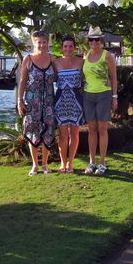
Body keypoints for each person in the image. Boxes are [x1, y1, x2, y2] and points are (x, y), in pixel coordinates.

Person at [17, 31, 56, 176]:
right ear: (33, 43)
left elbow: (60, 76)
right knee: (32, 131)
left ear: (48, 43)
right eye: (38, 42)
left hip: (49, 103)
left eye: (44, 42)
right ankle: (34, 165)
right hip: (32, 102)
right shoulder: (28, 59)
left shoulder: (52, 59)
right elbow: (22, 81)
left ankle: (45, 164)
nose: (41, 45)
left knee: (49, 132)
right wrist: (19, 100)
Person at [82, 26, 118, 176]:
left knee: (102, 129)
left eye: (97, 39)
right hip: (88, 96)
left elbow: (114, 78)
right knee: (91, 130)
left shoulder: (107, 56)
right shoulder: (86, 55)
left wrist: (115, 97)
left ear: (101, 40)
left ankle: (102, 163)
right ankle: (91, 162)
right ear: (88, 41)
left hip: (104, 95)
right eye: (91, 39)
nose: (94, 42)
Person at [54, 35, 84, 173]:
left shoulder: (81, 62)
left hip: (76, 100)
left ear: (74, 47)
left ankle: (70, 163)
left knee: (74, 133)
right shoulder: (56, 62)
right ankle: (62, 163)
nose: (68, 49)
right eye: (65, 46)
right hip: (60, 100)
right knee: (62, 134)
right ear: (62, 48)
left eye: (70, 46)